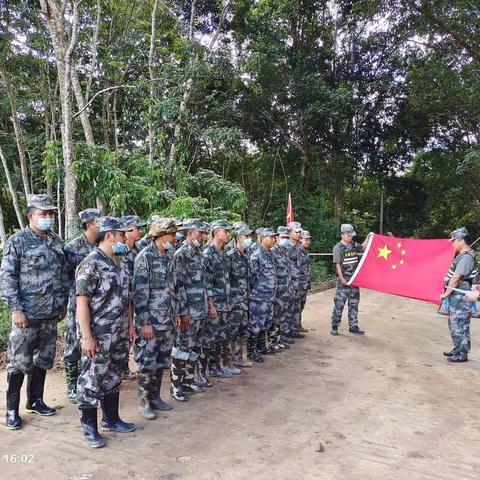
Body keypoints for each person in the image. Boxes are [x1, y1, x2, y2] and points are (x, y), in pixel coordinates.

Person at [1, 194, 68, 430]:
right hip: (26, 316)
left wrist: (63, 304)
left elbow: (63, 276)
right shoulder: (17, 241)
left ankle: (35, 401)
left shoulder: (56, 241)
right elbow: (7, 277)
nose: (48, 218)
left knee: (44, 360)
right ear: (31, 216)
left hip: (50, 314)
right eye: (43, 214)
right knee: (19, 363)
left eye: (51, 214)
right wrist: (16, 309)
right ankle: (11, 411)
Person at [75, 216, 136, 448]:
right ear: (109, 236)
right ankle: (90, 428)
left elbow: (126, 298)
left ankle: (111, 418)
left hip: (119, 332)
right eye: (122, 235)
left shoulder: (119, 262)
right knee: (93, 378)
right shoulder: (91, 263)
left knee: (114, 375)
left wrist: (129, 326)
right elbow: (82, 303)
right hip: (99, 334)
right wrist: (87, 336)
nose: (125, 239)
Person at [133, 218, 178, 419]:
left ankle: (156, 397)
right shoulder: (145, 258)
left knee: (161, 362)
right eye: (172, 234)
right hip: (150, 323)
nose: (175, 238)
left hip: (166, 321)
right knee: (147, 363)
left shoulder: (169, 257)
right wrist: (145, 323)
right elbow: (140, 294)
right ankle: (144, 402)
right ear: (161, 236)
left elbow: (172, 289)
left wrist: (175, 314)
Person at [64, 208, 101, 404]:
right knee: (73, 345)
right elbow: (65, 278)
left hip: (99, 307)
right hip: (77, 305)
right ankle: (71, 386)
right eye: (98, 221)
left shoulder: (102, 244)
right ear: (89, 224)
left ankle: (91, 382)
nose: (100, 224)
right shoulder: (73, 248)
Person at [171, 219, 210, 401]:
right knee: (181, 348)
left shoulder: (199, 254)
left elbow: (203, 283)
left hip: (200, 310)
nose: (202, 236)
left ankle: (187, 381)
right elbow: (178, 287)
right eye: (199, 233)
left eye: (203, 233)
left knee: (194, 348)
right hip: (188, 312)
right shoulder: (181, 255)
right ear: (189, 234)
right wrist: (182, 312)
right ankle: (176, 386)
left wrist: (208, 305)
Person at [203, 220, 238, 376]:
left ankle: (218, 366)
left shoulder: (223, 253)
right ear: (216, 233)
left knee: (221, 336)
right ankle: (212, 368)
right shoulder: (207, 255)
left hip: (225, 304)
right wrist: (211, 306)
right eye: (225, 231)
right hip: (215, 305)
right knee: (212, 338)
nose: (228, 234)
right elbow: (207, 284)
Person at [440, 227, 478, 363]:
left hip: (461, 297)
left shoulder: (467, 257)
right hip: (456, 296)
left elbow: (456, 277)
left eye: (454, 241)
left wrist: (446, 293)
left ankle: (462, 353)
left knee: (460, 324)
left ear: (461, 240)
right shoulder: (462, 256)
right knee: (454, 323)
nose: (452, 244)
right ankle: (457, 348)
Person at [330, 224, 371, 336]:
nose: (350, 237)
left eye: (351, 235)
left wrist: (368, 238)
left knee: (354, 304)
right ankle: (335, 326)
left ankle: (353, 326)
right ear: (342, 235)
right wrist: (342, 279)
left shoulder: (353, 244)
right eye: (348, 235)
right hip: (344, 282)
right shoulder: (338, 247)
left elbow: (362, 247)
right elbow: (337, 265)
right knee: (339, 304)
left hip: (354, 281)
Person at [120, 215, 147, 380]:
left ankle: (132, 365)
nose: (140, 231)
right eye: (137, 228)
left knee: (134, 333)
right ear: (127, 231)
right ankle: (121, 368)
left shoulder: (138, 250)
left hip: (136, 298)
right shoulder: (119, 250)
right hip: (123, 300)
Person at [248, 228, 278, 362]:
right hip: (258, 297)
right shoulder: (256, 256)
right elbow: (252, 278)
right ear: (262, 238)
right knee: (255, 325)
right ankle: (251, 350)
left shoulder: (270, 253)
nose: (273, 240)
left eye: (274, 237)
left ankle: (260, 346)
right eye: (270, 237)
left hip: (269, 297)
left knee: (265, 323)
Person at [227, 224, 254, 368]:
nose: (249, 239)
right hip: (234, 302)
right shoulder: (231, 256)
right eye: (246, 236)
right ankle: (229, 360)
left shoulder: (246, 255)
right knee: (231, 332)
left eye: (250, 236)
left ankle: (238, 358)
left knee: (243, 331)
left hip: (244, 301)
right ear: (238, 238)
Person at [270, 226, 291, 351]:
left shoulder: (285, 251)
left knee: (282, 317)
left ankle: (279, 340)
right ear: (277, 238)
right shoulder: (273, 252)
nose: (286, 240)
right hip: (276, 291)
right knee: (275, 318)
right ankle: (273, 342)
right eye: (283, 237)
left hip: (285, 290)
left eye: (287, 237)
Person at [287, 221, 305, 339]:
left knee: (297, 307)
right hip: (289, 282)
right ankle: (286, 332)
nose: (299, 234)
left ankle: (294, 329)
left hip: (299, 281)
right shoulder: (286, 246)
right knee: (288, 308)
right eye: (296, 232)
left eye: (300, 232)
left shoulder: (299, 245)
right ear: (289, 232)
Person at [298, 230, 312, 332]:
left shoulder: (306, 252)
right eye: (306, 239)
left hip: (304, 284)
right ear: (300, 240)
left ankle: (298, 325)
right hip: (297, 285)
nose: (308, 241)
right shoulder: (296, 252)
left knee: (301, 306)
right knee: (295, 307)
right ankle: (293, 327)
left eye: (309, 239)